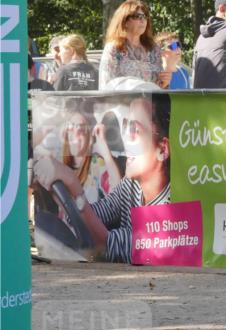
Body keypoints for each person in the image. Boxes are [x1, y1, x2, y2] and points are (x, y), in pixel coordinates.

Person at [32, 94, 171, 264]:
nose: (126, 137)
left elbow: (106, 246)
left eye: (135, 129)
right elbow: (95, 216)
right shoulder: (132, 184)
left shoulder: (171, 208)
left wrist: (72, 183)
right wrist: (61, 190)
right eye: (125, 127)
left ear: (162, 150)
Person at [100, 0, 179, 89]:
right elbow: (106, 86)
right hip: (121, 102)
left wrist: (164, 83)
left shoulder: (153, 49)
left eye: (145, 16)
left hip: (150, 102)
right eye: (137, 16)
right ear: (125, 21)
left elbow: (159, 88)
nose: (143, 20)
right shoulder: (114, 48)